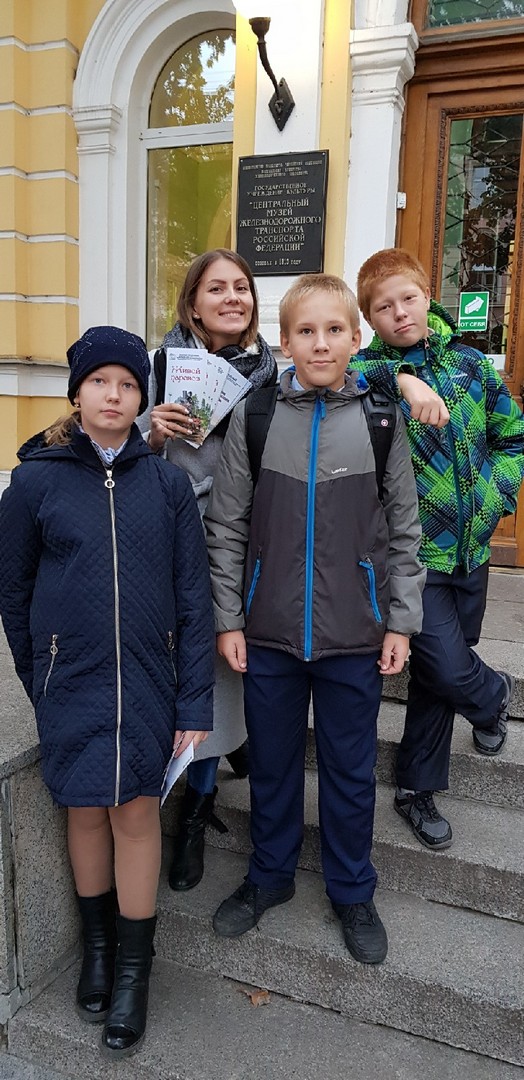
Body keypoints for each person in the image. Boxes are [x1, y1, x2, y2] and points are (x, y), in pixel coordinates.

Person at [0, 326, 215, 1058]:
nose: (114, 395)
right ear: (78, 393)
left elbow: (193, 598)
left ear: (141, 398)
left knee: (135, 813)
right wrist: (40, 675)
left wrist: (194, 702)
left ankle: (132, 973)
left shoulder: (167, 485)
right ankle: (97, 948)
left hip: (151, 682)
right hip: (73, 682)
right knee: (85, 810)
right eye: (100, 382)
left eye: (127, 385)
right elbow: (13, 589)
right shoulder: (35, 483)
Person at [203, 274, 425, 964]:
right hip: (268, 633)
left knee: (350, 772)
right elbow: (226, 525)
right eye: (306, 331)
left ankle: (352, 891)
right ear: (284, 341)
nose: (320, 343)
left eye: (334, 330)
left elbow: (404, 532)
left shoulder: (381, 420)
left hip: (355, 636)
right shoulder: (257, 415)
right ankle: (268, 876)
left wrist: (399, 622)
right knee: (271, 765)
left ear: (356, 339)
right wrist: (228, 619)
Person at [356, 248, 524, 850]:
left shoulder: (471, 366)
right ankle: (493, 696)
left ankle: (416, 789)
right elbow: (349, 375)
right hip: (412, 563)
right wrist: (401, 378)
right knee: (450, 667)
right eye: (384, 307)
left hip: (471, 554)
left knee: (437, 677)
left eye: (408, 298)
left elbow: (513, 437)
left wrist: (494, 496)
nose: (400, 313)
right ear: (369, 319)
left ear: (427, 296)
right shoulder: (364, 377)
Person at [138, 249, 277, 892]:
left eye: (241, 287)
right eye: (216, 288)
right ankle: (198, 779)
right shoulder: (158, 365)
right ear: (193, 302)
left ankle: (198, 804)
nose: (232, 297)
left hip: (244, 543)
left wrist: (408, 382)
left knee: (223, 671)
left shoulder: (275, 372)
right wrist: (150, 432)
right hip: (173, 541)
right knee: (183, 671)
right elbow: (106, 444)